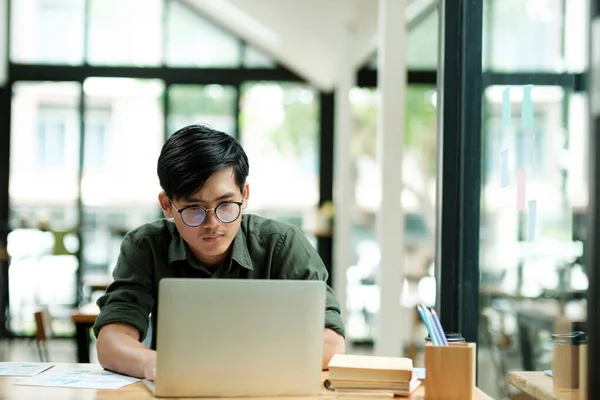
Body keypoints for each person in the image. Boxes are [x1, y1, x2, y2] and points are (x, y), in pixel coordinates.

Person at [92, 124, 345, 381]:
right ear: (167, 205)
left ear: (244, 195)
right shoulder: (145, 246)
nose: (212, 223)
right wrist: (156, 365)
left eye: (225, 205)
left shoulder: (282, 244)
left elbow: (331, 345)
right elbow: (112, 341)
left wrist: (233, 367)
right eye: (194, 208)